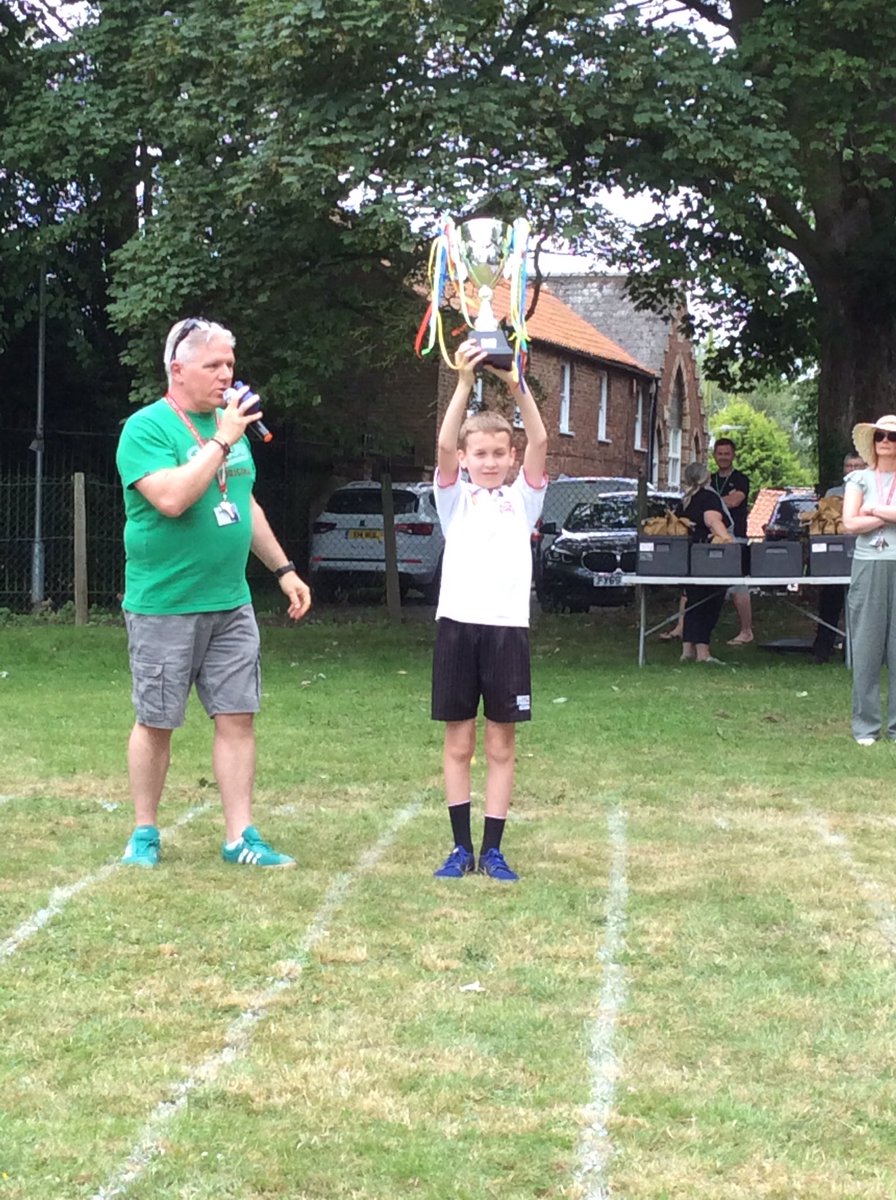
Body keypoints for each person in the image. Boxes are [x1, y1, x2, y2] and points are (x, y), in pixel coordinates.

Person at [115, 317, 312, 867]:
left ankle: (239, 836)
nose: (227, 375)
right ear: (178, 370)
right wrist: (223, 438)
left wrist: (283, 569)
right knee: (157, 721)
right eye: (213, 365)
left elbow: (244, 504)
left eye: (230, 364)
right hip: (165, 605)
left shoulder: (233, 430)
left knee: (237, 716)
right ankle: (145, 833)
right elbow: (173, 499)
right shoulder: (147, 429)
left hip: (231, 602)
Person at [430, 339, 547, 883]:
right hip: (457, 627)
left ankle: (493, 848)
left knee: (501, 743)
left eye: (500, 453)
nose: (490, 462)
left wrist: (514, 383)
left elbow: (541, 436)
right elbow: (443, 443)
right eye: (481, 454)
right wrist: (461, 385)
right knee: (460, 741)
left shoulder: (524, 497)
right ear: (467, 458)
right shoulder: (454, 496)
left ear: (511, 456)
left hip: (507, 633)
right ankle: (459, 848)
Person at [842, 416, 896, 745]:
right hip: (868, 565)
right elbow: (849, 523)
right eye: (880, 436)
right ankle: (866, 726)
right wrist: (885, 513)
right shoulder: (859, 477)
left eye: (892, 436)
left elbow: (861, 517)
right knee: (866, 647)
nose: (886, 442)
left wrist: (872, 510)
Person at [811, 450, 866, 664]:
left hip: (863, 553)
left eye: (857, 466)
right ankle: (822, 650)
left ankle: (859, 652)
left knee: (862, 608)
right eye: (849, 466)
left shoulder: (873, 492)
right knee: (830, 604)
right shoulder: (832, 492)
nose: (852, 470)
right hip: (834, 558)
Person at [677, 461, 734, 663]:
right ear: (706, 477)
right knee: (709, 603)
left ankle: (687, 651)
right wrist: (727, 540)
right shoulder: (708, 497)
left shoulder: (685, 500)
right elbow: (713, 521)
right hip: (708, 557)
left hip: (687, 557)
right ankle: (703, 653)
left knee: (693, 602)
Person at [711, 437, 753, 645]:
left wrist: (710, 502)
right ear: (714, 455)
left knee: (738, 586)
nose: (724, 457)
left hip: (735, 538)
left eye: (727, 453)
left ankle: (746, 631)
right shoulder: (709, 480)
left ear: (733, 455)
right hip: (711, 541)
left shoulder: (741, 479)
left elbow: (736, 500)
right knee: (694, 586)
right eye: (720, 453)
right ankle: (683, 628)